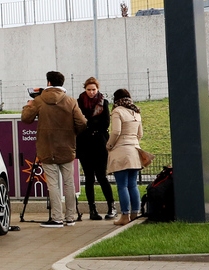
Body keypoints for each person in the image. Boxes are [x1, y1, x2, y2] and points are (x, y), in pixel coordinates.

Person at [21, 70, 87, 228]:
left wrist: (28, 106)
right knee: (69, 183)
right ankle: (70, 217)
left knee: (53, 184)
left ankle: (56, 218)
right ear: (62, 83)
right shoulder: (70, 101)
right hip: (66, 147)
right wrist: (72, 133)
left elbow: (26, 119)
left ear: (48, 83)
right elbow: (82, 122)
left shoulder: (39, 100)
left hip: (46, 147)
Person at [76, 78, 117, 221]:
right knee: (88, 177)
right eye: (88, 90)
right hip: (84, 144)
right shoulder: (79, 102)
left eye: (93, 89)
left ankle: (111, 207)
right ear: (85, 89)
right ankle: (92, 209)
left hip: (100, 143)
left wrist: (89, 123)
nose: (91, 92)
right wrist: (91, 123)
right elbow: (78, 122)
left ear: (98, 89)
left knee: (102, 176)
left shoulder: (103, 102)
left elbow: (105, 122)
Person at [107, 88, 145, 226]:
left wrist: (109, 145)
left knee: (122, 186)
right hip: (135, 150)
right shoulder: (136, 112)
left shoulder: (117, 111)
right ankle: (135, 214)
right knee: (133, 184)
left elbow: (116, 131)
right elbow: (140, 134)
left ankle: (124, 216)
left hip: (121, 151)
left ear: (116, 100)